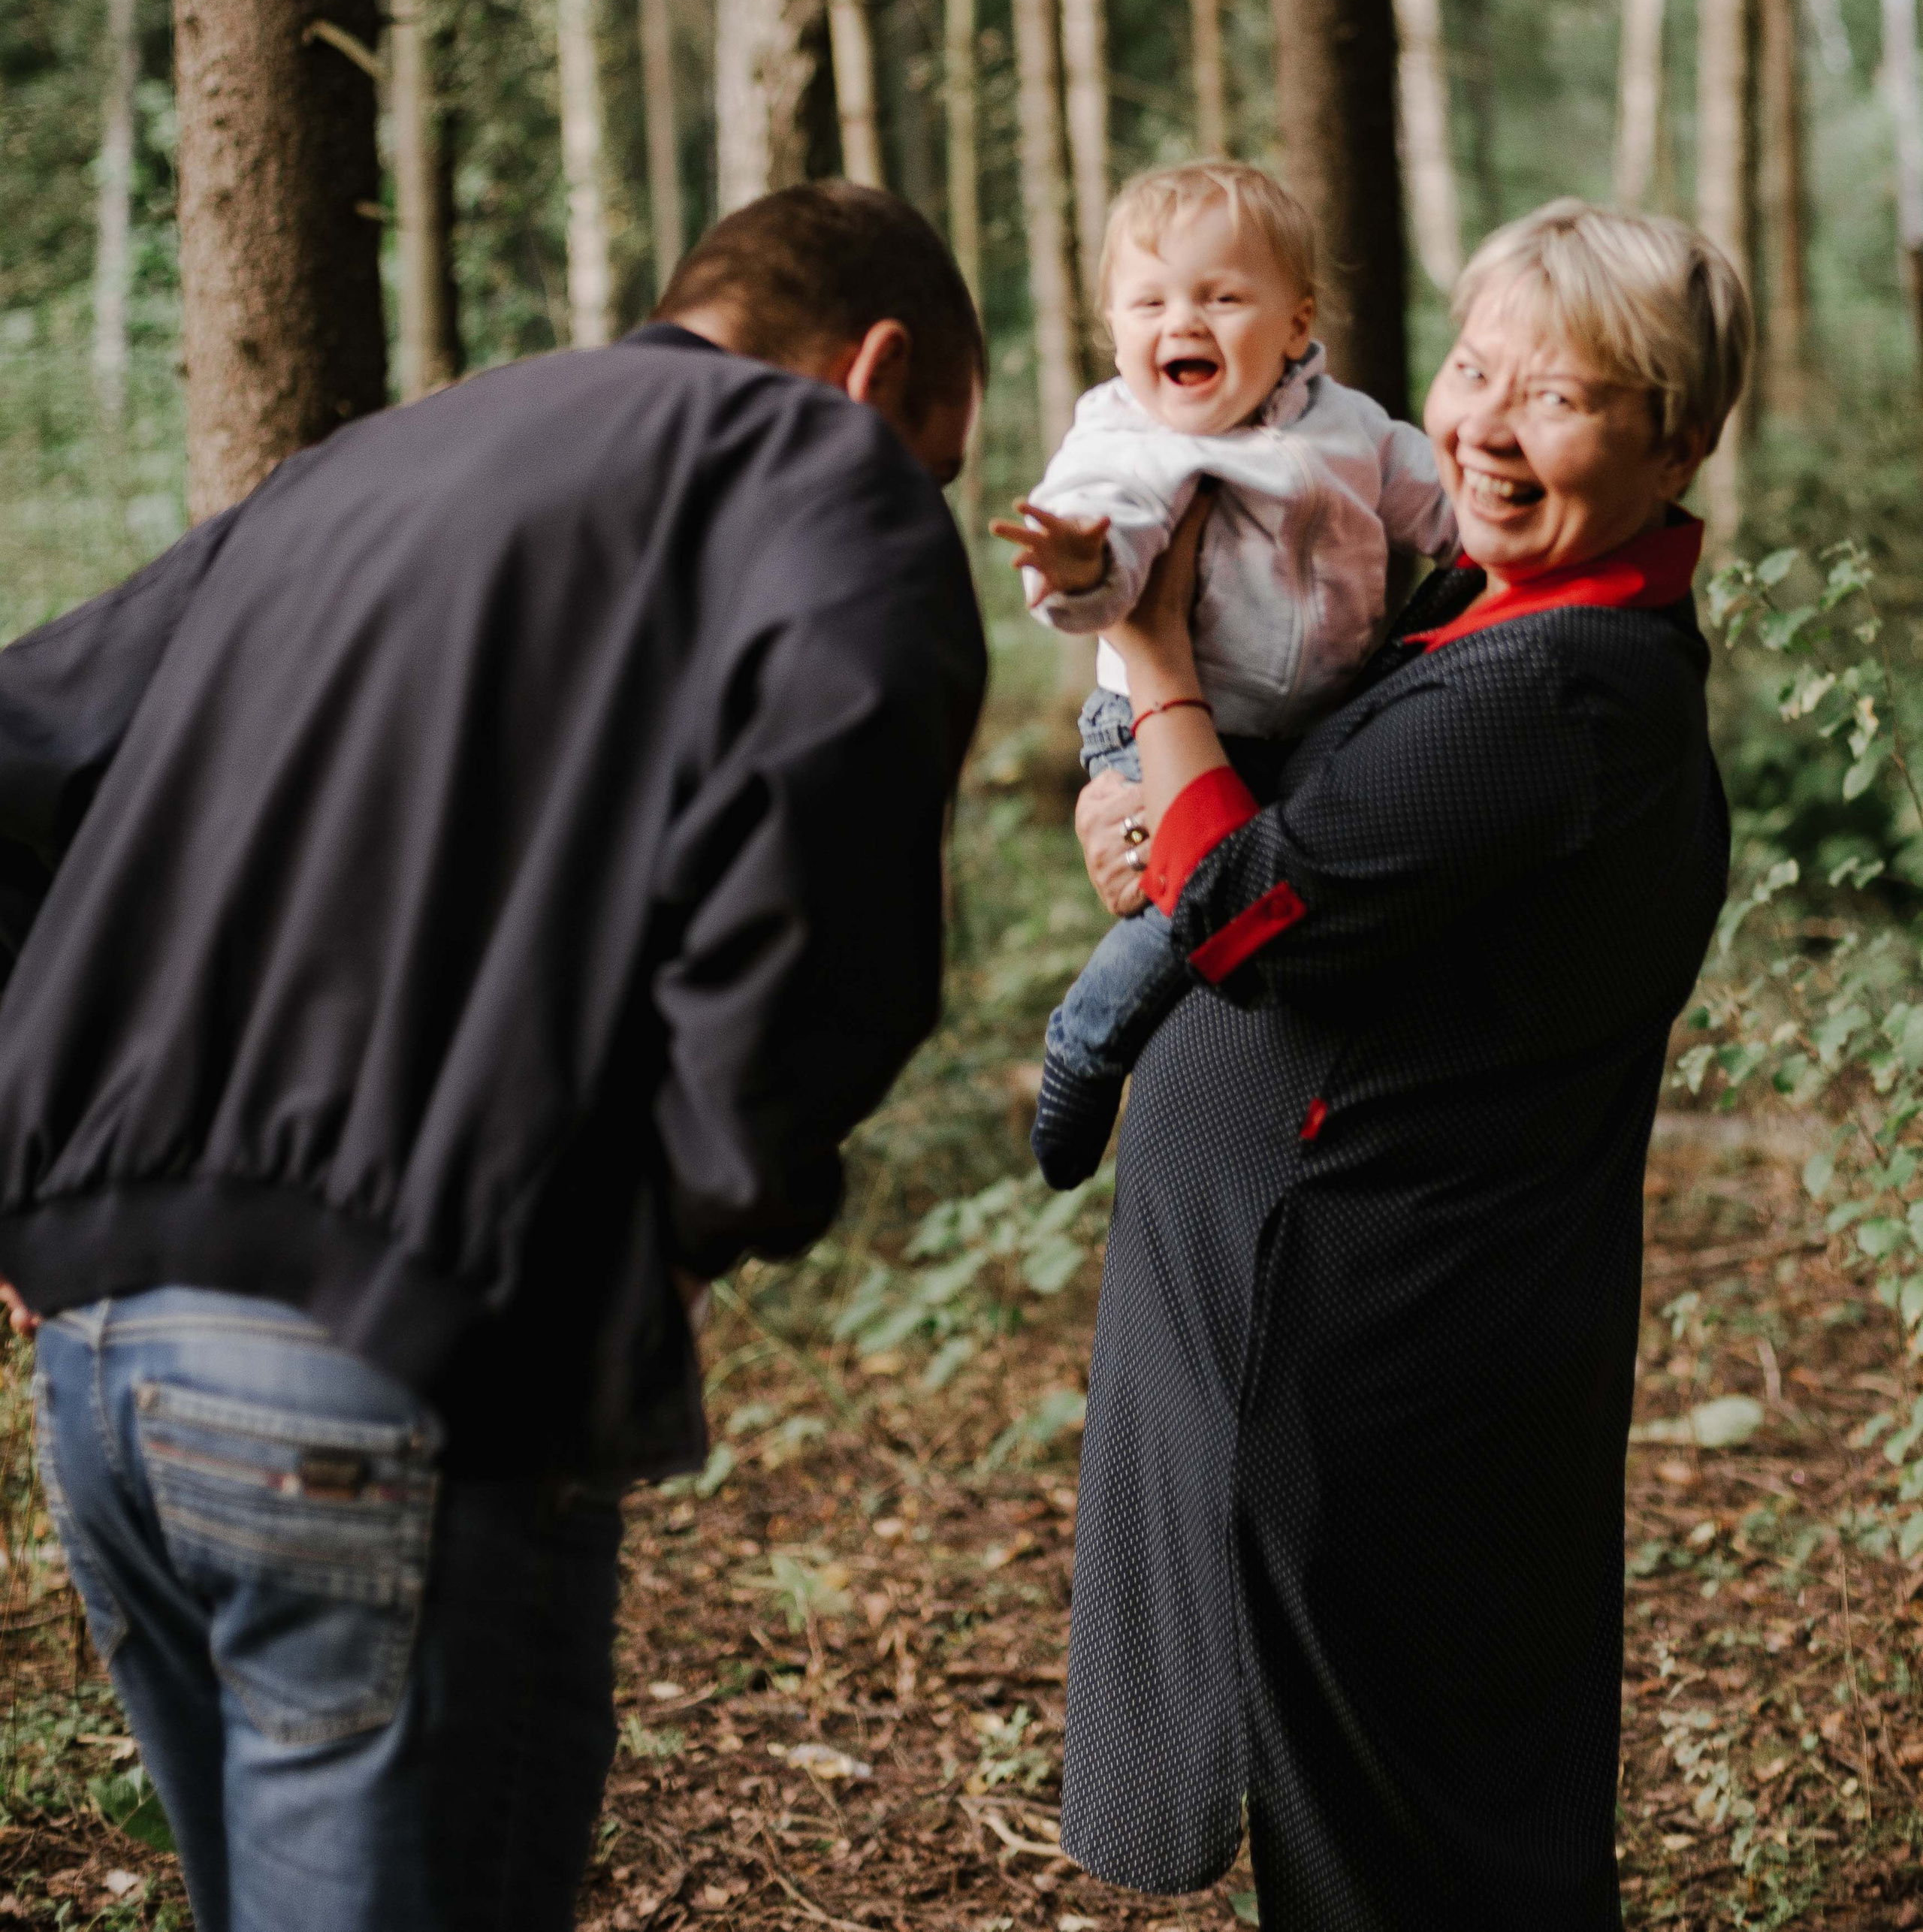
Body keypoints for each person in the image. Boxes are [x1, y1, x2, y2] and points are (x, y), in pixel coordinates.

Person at [0, 182, 986, 1932]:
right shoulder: (812, 469)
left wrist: (39, 1169)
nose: (921, 505)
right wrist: (693, 1208)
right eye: (935, 460)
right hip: (400, 1363)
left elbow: (20, 752)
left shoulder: (374, 464)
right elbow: (828, 824)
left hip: (99, 1362)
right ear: (876, 371)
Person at [1058, 198, 1750, 1930]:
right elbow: (1266, 822)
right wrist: (1133, 796)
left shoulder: (1552, 688)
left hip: (1368, 1366)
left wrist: (1140, 655)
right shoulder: (1478, 616)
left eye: (1560, 395)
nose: (1482, 427)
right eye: (1469, 368)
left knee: (1383, 1832)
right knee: (1375, 1804)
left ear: (1676, 437)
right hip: (1357, 1334)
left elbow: (1247, 912)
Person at [991, 161, 1454, 1187]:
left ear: (1296, 325)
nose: (1181, 321)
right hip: (1151, 719)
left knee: (1283, 890)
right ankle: (1086, 1041)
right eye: (1149, 301)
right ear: (1115, 330)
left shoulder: (1354, 428)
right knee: (1192, 903)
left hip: (1311, 721)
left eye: (1221, 296)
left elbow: (1442, 503)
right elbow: (1107, 517)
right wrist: (1082, 567)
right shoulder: (1127, 436)